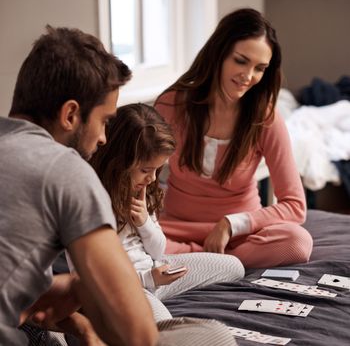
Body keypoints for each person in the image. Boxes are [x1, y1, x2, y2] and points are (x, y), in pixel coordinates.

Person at [0, 25, 237, 346]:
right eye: (104, 121)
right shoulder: (64, 169)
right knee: (214, 336)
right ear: (70, 114)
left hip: (26, 317)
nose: (103, 138)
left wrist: (75, 304)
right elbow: (137, 333)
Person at [154, 8, 313, 268]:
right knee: (120, 240)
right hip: (175, 230)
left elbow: (295, 206)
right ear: (219, 54)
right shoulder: (171, 105)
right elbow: (139, 178)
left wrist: (231, 223)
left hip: (239, 236)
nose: (248, 77)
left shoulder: (266, 119)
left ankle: (201, 262)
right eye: (241, 61)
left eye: (260, 68)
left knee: (297, 242)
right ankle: (212, 261)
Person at [88, 103, 245, 322]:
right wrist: (147, 279)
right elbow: (93, 277)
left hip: (154, 274)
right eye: (145, 170)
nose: (152, 179)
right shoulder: (91, 202)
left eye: (157, 170)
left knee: (234, 266)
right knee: (163, 324)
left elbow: (158, 251)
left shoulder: (140, 191)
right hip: (124, 287)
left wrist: (144, 222)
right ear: (119, 163)